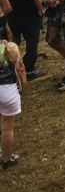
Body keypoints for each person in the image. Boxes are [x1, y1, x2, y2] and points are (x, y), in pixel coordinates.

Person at [0, 32, 26, 167]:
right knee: (7, 129)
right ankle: (6, 159)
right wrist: (22, 85)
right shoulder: (11, 48)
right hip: (8, 91)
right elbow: (20, 69)